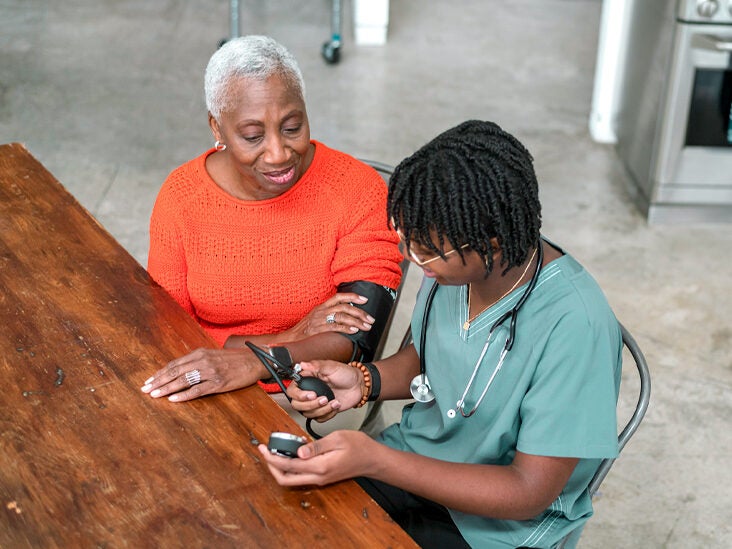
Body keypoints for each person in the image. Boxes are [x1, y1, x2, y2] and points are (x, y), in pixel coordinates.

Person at [257, 120, 622, 548]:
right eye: (408, 242)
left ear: (492, 242)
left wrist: (377, 461)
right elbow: (422, 357)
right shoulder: (454, 267)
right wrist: (362, 381)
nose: (414, 260)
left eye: (428, 251)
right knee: (277, 517)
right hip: (413, 461)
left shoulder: (576, 325)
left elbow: (528, 492)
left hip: (498, 526)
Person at [140, 35, 403, 427]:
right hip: (205, 389)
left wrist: (250, 359)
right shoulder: (181, 198)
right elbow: (169, 334)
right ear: (218, 128)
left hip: (315, 395)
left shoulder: (357, 190)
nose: (279, 153)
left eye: (292, 127)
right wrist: (295, 333)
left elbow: (354, 338)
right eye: (252, 136)